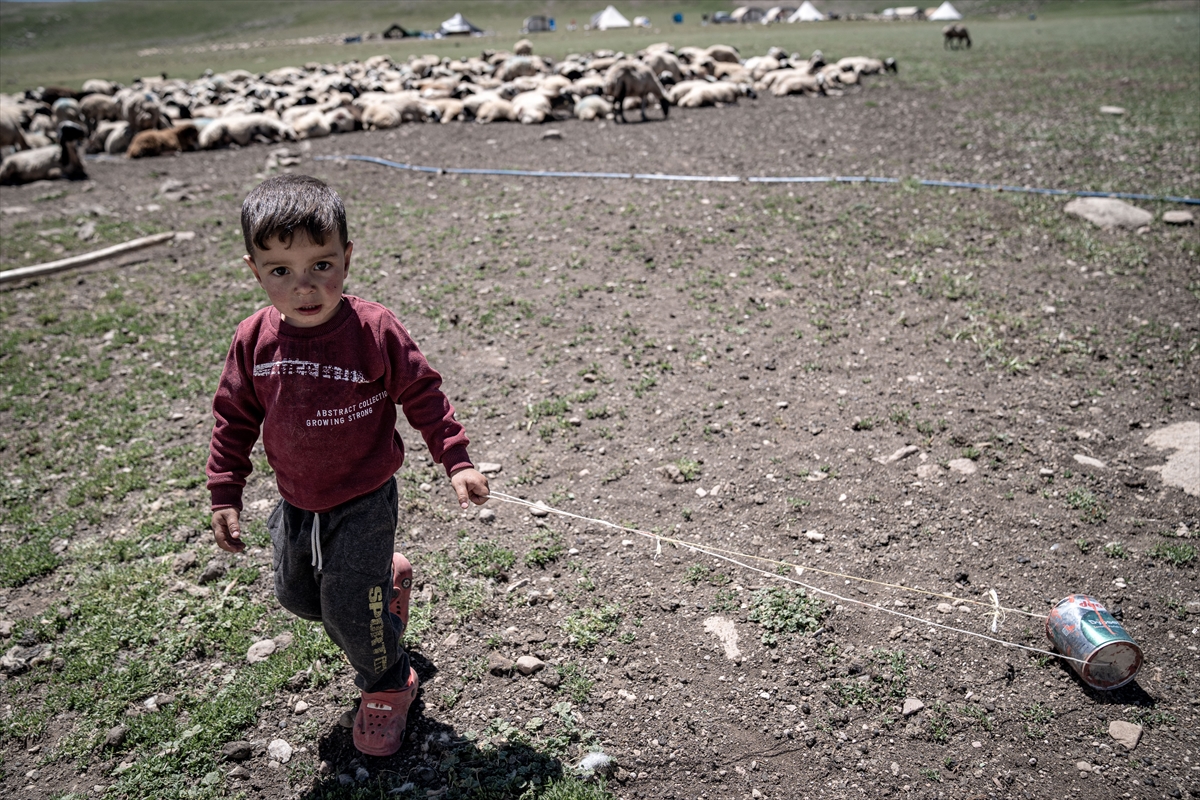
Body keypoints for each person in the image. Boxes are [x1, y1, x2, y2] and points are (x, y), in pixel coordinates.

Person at [206, 174, 489, 757]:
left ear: (347, 258)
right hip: (296, 500)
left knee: (345, 607)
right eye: (281, 270)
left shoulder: (373, 330)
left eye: (322, 265)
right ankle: (385, 585)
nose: (305, 286)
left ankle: (389, 683)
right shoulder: (253, 340)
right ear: (255, 271)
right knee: (299, 598)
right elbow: (233, 417)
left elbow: (423, 395)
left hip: (363, 497)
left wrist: (455, 459)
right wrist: (224, 491)